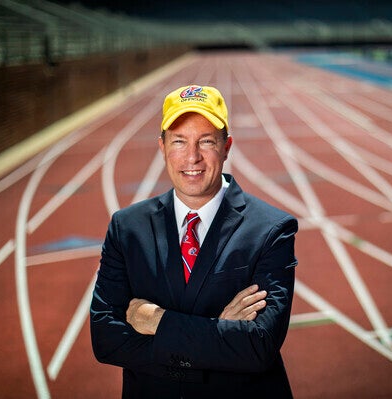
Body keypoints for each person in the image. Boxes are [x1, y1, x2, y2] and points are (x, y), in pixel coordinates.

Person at [90, 84, 299, 398]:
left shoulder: (272, 229)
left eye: (206, 141)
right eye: (179, 141)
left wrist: (154, 320)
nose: (192, 157)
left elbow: (257, 346)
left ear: (226, 147)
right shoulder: (127, 227)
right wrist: (219, 333)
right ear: (162, 147)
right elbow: (106, 340)